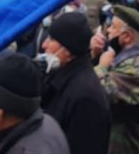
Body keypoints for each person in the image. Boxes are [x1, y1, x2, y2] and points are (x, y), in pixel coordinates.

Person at [91, 5, 139, 154]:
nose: (108, 31)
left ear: (127, 36)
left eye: (113, 28)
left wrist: (101, 65)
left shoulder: (138, 69)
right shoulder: (129, 58)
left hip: (132, 147)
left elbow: (101, 93)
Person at [40, 12, 111, 154]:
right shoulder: (59, 75)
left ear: (67, 50)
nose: (44, 44)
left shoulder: (85, 97)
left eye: (52, 40)